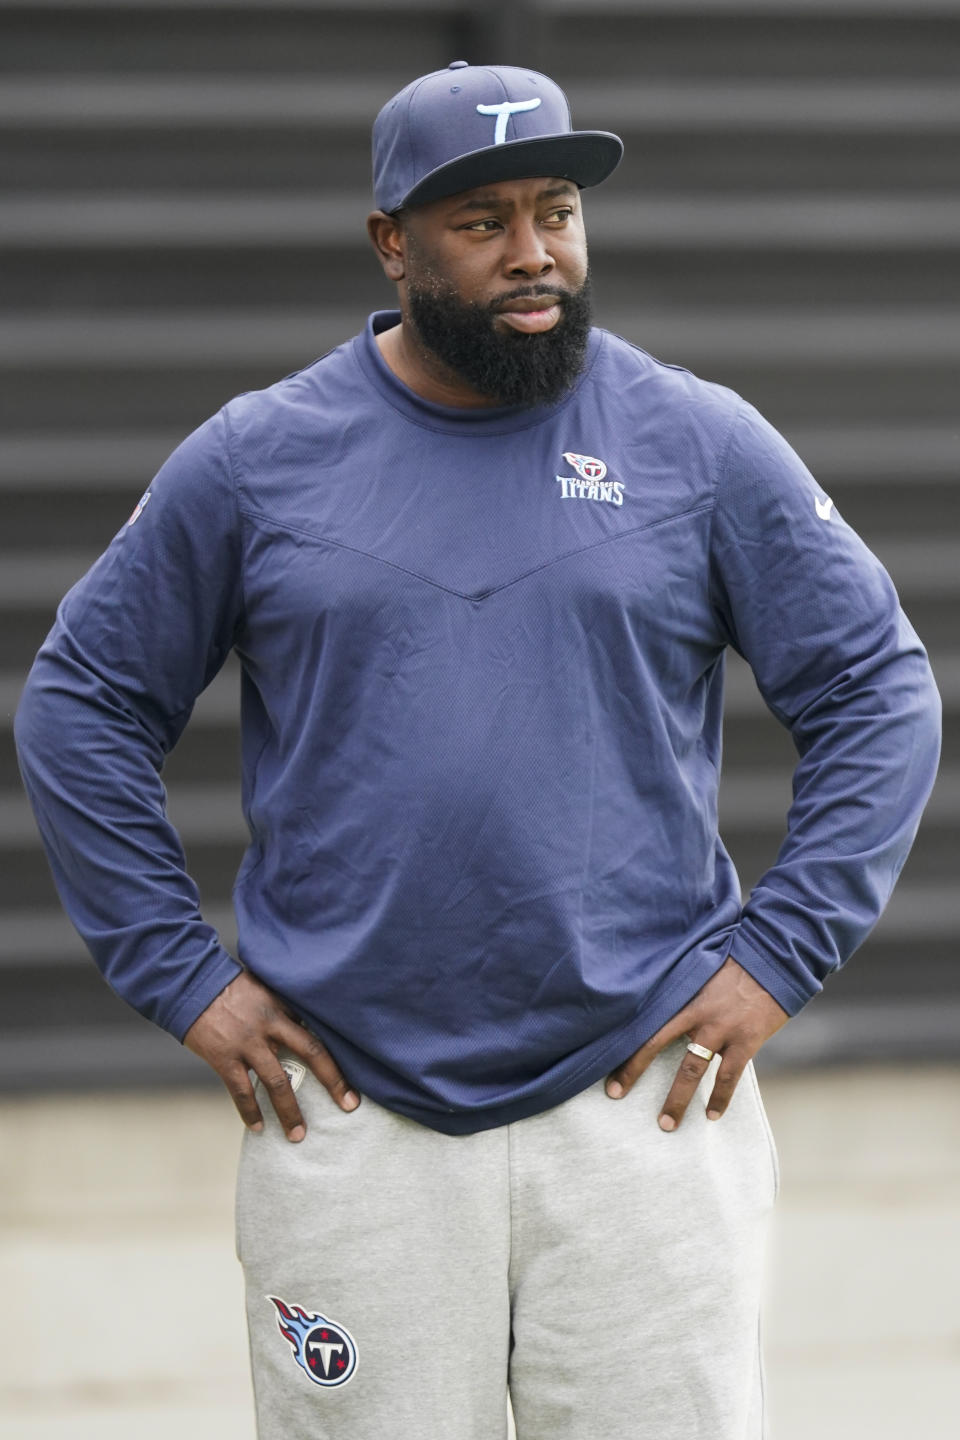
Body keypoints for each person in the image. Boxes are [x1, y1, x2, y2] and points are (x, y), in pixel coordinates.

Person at [14, 62, 940, 1440]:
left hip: (643, 1109)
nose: (535, 254)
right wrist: (182, 977)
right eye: (483, 219)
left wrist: (780, 955)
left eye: (557, 211)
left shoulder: (693, 441)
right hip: (351, 1114)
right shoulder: (260, 459)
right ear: (392, 242)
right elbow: (81, 699)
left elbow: (877, 684)